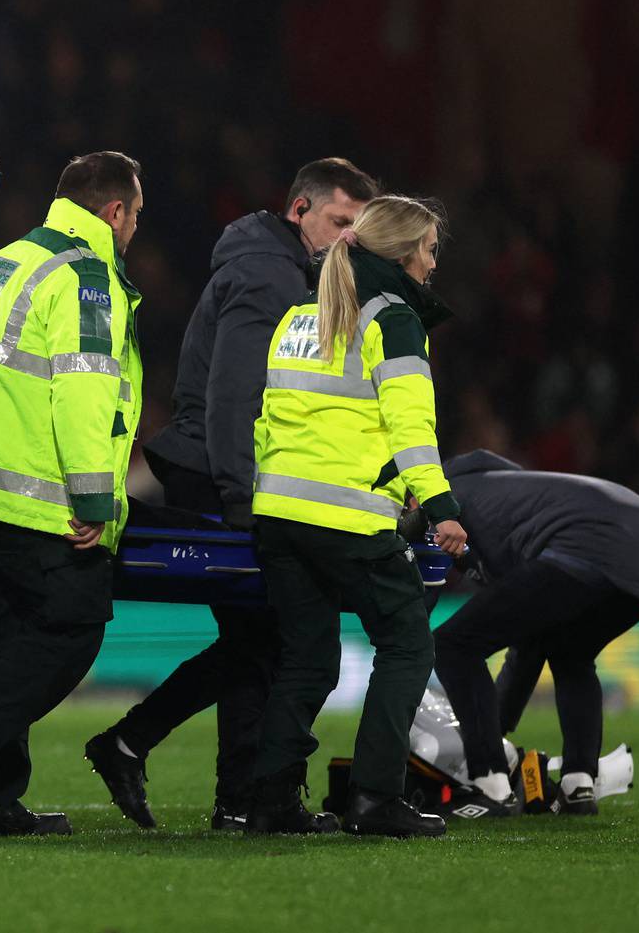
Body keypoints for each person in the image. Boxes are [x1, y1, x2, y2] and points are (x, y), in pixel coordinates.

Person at [88, 158, 377, 830]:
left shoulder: (280, 269)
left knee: (262, 637)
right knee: (272, 635)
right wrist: (243, 501)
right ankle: (168, 758)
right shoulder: (268, 275)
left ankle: (226, 792)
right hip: (223, 470)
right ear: (300, 210)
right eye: (339, 222)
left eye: (356, 230)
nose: (346, 241)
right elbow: (233, 396)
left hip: (223, 467)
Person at [0, 152, 146, 834]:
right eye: (134, 215)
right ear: (114, 212)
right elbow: (84, 390)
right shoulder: (84, 276)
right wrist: (95, 497)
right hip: (37, 496)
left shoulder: (4, 260)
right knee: (70, 630)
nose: (134, 230)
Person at [245, 194, 467, 839]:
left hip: (279, 510)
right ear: (400, 254)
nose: (432, 265)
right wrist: (440, 506)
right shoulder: (393, 318)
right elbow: (410, 427)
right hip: (343, 516)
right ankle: (374, 799)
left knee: (307, 658)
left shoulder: (298, 315)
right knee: (406, 643)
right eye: (428, 250)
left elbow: (271, 417)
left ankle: (270, 802)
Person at [432, 451, 639, 816]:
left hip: (593, 547)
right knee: (571, 652)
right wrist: (492, 727)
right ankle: (578, 782)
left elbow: (526, 641)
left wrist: (488, 733)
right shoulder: (508, 491)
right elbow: (535, 632)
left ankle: (490, 784)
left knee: (454, 645)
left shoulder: (454, 499)